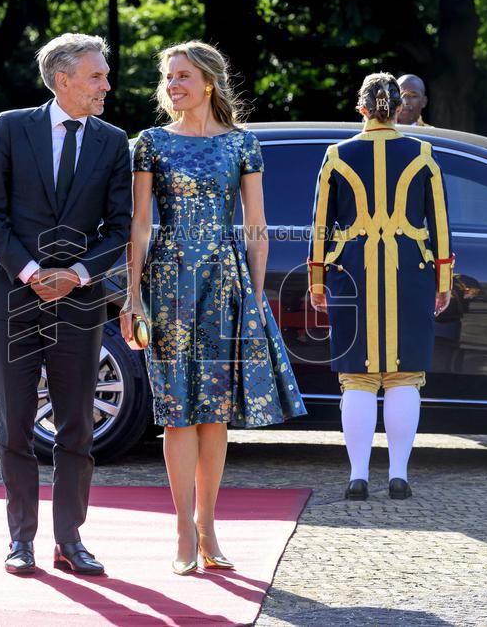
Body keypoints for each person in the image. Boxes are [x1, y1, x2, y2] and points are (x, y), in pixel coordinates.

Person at [120, 41, 306, 575]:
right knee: (177, 412)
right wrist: (133, 295)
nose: (172, 85)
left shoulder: (243, 144)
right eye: (168, 77)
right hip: (169, 281)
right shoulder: (150, 143)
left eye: (182, 76)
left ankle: (209, 528)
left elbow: (256, 228)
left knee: (215, 415)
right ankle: (181, 530)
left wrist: (254, 292)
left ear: (208, 82)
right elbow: (139, 224)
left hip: (225, 283)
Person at [0, 33, 132, 576]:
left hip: (81, 303)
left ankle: (71, 540)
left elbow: (122, 227)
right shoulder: (10, 127)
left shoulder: (114, 142)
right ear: (63, 79)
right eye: (97, 76)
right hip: (14, 298)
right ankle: (21, 541)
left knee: (76, 428)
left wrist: (78, 274)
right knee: (14, 425)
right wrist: (34, 272)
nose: (107, 85)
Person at [308, 72, 453, 501]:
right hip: (411, 268)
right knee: (405, 375)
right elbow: (439, 224)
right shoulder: (423, 153)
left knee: (357, 377)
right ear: (397, 107)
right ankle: (399, 475)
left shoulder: (336, 155)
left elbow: (320, 225)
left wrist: (318, 278)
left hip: (352, 270)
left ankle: (357, 476)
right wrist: (442, 279)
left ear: (362, 108)